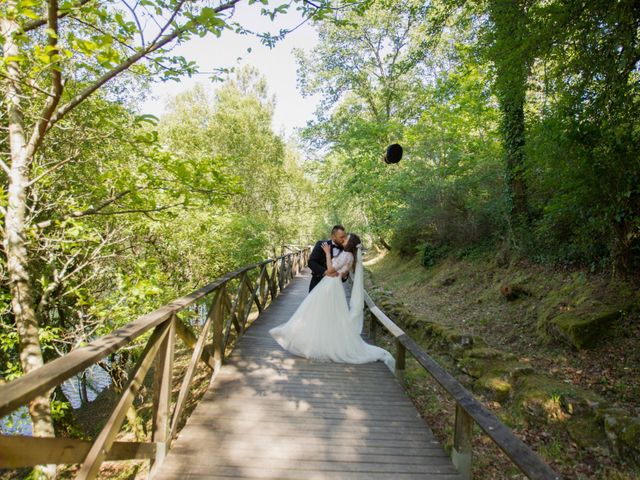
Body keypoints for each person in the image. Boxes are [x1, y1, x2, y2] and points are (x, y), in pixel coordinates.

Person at [269, 233, 394, 370]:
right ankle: (317, 342)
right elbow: (341, 271)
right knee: (324, 314)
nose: (344, 239)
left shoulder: (346, 255)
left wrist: (328, 254)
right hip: (333, 285)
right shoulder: (349, 256)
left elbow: (329, 270)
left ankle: (317, 344)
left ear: (350, 243)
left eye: (346, 238)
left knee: (316, 311)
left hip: (330, 285)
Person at [307, 225, 349, 292]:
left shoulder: (345, 250)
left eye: (345, 237)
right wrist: (326, 272)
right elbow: (311, 262)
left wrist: (345, 275)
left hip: (335, 288)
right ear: (333, 237)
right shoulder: (321, 244)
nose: (344, 239)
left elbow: (345, 271)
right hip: (318, 283)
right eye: (341, 237)